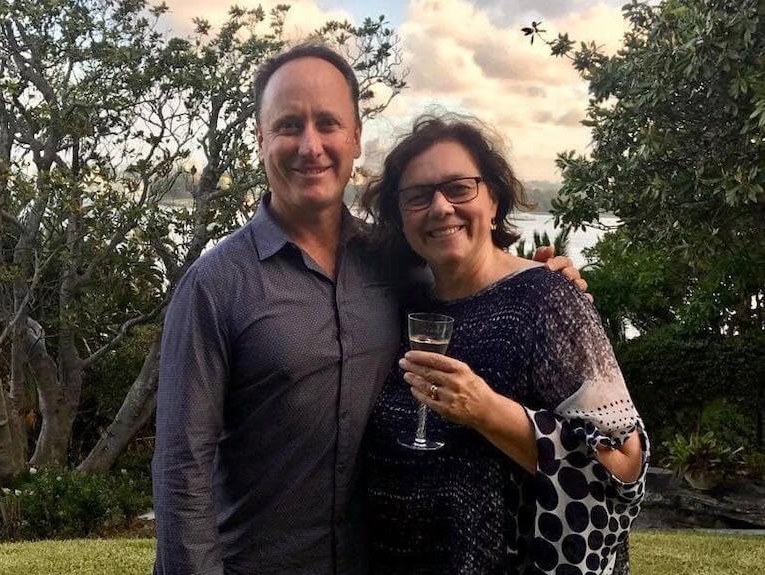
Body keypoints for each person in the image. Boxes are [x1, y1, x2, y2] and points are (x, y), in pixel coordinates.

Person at [152, 43, 585, 575]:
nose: (311, 146)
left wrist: (541, 278)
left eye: (328, 123)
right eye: (289, 125)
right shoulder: (214, 287)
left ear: (355, 137)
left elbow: (470, 277)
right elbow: (181, 470)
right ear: (261, 140)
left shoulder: (397, 265)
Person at [360, 115, 649, 575]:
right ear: (400, 216)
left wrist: (484, 410)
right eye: (417, 196)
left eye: (459, 188)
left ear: (492, 199)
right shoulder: (403, 303)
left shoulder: (547, 300)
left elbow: (623, 465)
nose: (440, 207)